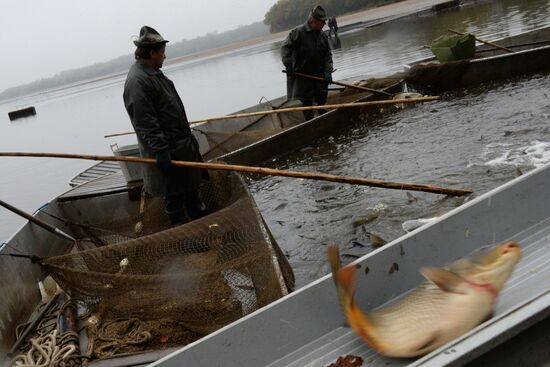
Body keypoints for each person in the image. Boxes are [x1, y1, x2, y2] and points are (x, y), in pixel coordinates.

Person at [123, 26, 208, 226]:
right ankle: (186, 239)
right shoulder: (138, 81)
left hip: (181, 148)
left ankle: (204, 227)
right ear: (151, 53)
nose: (165, 56)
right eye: (162, 52)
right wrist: (161, 152)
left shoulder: (152, 73)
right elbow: (145, 123)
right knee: (175, 201)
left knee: (191, 195)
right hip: (167, 154)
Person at [281, 5, 334, 121]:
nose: (324, 24)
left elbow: (328, 54)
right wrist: (288, 64)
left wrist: (328, 70)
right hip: (302, 74)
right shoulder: (297, 32)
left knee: (322, 96)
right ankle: (310, 121)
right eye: (322, 22)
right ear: (313, 21)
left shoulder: (322, 35)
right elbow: (285, 48)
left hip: (319, 73)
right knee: (306, 100)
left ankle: (322, 113)